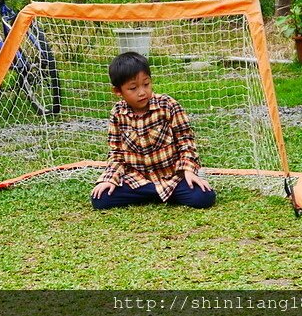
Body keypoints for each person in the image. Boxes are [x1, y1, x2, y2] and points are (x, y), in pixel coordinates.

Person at [91, 51, 216, 209]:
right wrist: (109, 179)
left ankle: (167, 190)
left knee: (204, 197)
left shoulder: (168, 105)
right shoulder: (117, 114)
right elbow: (116, 154)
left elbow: (186, 143)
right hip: (137, 180)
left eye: (146, 84)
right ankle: (156, 193)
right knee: (100, 199)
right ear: (118, 92)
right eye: (133, 88)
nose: (142, 92)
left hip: (172, 177)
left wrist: (188, 171)